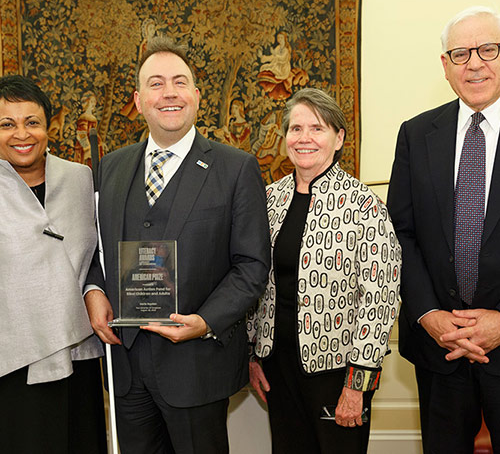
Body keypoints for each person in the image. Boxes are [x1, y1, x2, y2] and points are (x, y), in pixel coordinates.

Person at [84, 36, 270, 454]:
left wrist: (204, 322)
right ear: (138, 99)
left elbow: (252, 266)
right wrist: (94, 292)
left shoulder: (235, 167)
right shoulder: (110, 168)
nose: (169, 92)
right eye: (156, 83)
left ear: (196, 95)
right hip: (126, 366)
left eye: (179, 82)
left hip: (197, 368)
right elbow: (94, 249)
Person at [247, 88, 401, 454]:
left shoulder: (364, 205)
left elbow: (380, 299)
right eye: (295, 128)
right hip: (277, 365)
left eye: (316, 128)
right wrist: (252, 356)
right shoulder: (267, 200)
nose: (304, 138)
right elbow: (253, 281)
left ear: (338, 138)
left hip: (338, 371)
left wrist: (357, 385)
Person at [387, 6, 500, 453]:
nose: (474, 63)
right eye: (460, 53)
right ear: (445, 66)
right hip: (440, 349)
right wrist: (428, 314)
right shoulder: (416, 134)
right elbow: (401, 233)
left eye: (488, 49)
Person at [0, 75, 106, 453]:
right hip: (13, 361)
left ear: (49, 127)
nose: (21, 134)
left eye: (32, 122)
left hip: (76, 355)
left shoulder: (80, 179)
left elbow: (98, 253)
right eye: (6, 124)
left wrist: (94, 289)